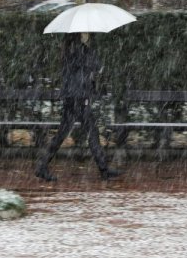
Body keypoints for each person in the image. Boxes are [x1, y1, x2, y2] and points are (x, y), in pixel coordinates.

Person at [35, 32, 122, 181]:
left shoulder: (68, 49)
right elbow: (95, 66)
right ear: (79, 35)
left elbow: (81, 70)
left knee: (65, 133)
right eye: (84, 33)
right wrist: (91, 53)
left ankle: (42, 166)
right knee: (91, 132)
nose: (86, 35)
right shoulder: (80, 50)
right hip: (80, 97)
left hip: (72, 96)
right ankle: (103, 169)